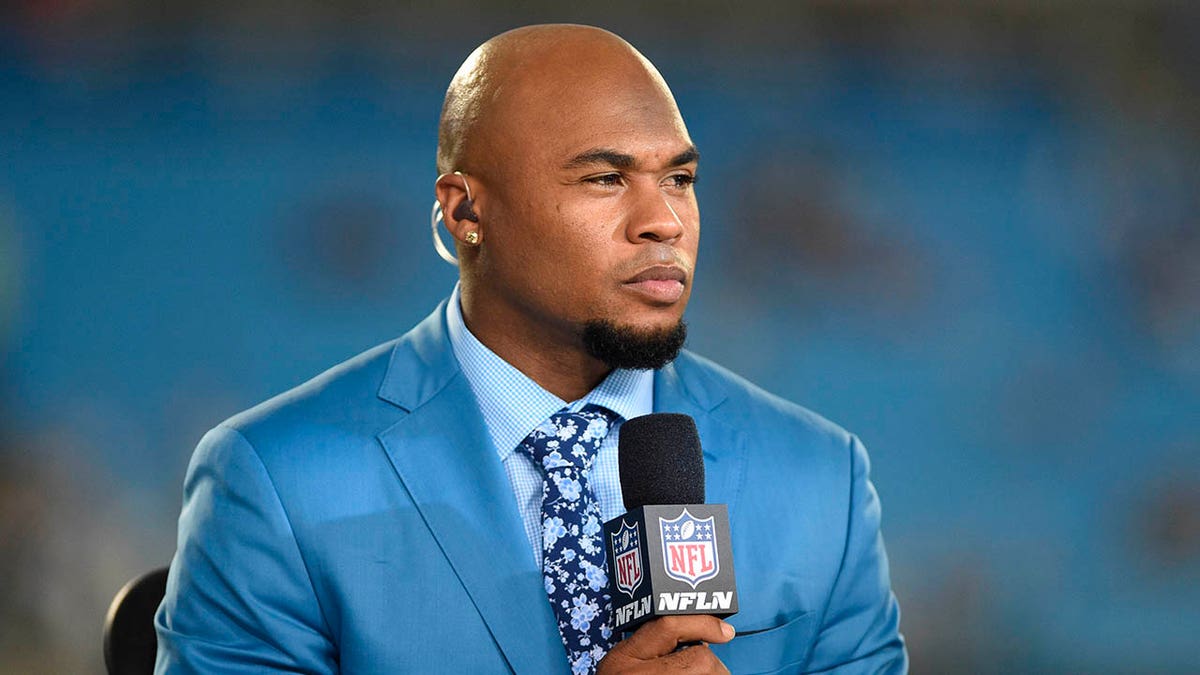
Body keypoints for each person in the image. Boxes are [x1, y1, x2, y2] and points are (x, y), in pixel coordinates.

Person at [155, 24, 906, 674]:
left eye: (679, 178)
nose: (665, 221)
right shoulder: (276, 481)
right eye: (606, 178)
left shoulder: (822, 479)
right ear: (465, 210)